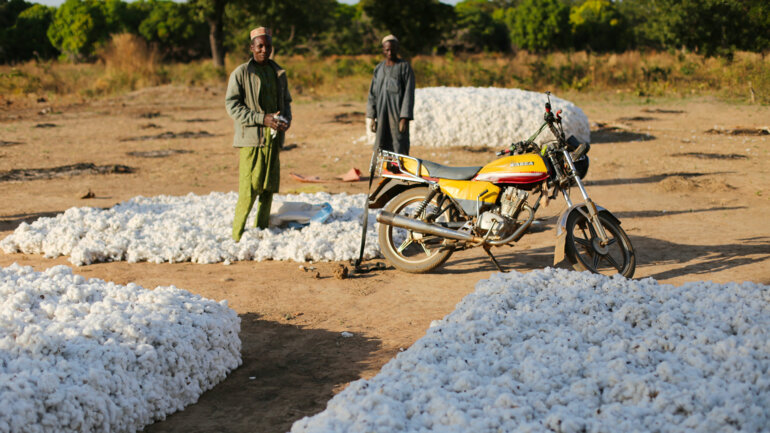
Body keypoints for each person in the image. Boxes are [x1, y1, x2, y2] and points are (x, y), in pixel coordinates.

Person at [225, 26, 292, 242]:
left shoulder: (278, 73)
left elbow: (287, 102)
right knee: (249, 189)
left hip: (273, 140)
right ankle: (236, 236)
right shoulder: (241, 73)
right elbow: (232, 106)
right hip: (252, 141)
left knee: (268, 188)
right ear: (252, 47)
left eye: (268, 46)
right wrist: (262, 119)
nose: (264, 50)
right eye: (260, 46)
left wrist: (285, 121)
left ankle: (261, 232)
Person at [366, 34, 415, 155]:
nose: (390, 52)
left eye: (392, 49)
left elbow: (409, 93)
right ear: (383, 50)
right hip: (382, 115)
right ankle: (386, 171)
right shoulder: (379, 69)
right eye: (387, 50)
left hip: (397, 115)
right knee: (381, 143)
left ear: (397, 49)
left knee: (399, 142)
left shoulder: (404, 67)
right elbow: (372, 94)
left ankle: (400, 171)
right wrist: (372, 117)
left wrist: (404, 117)